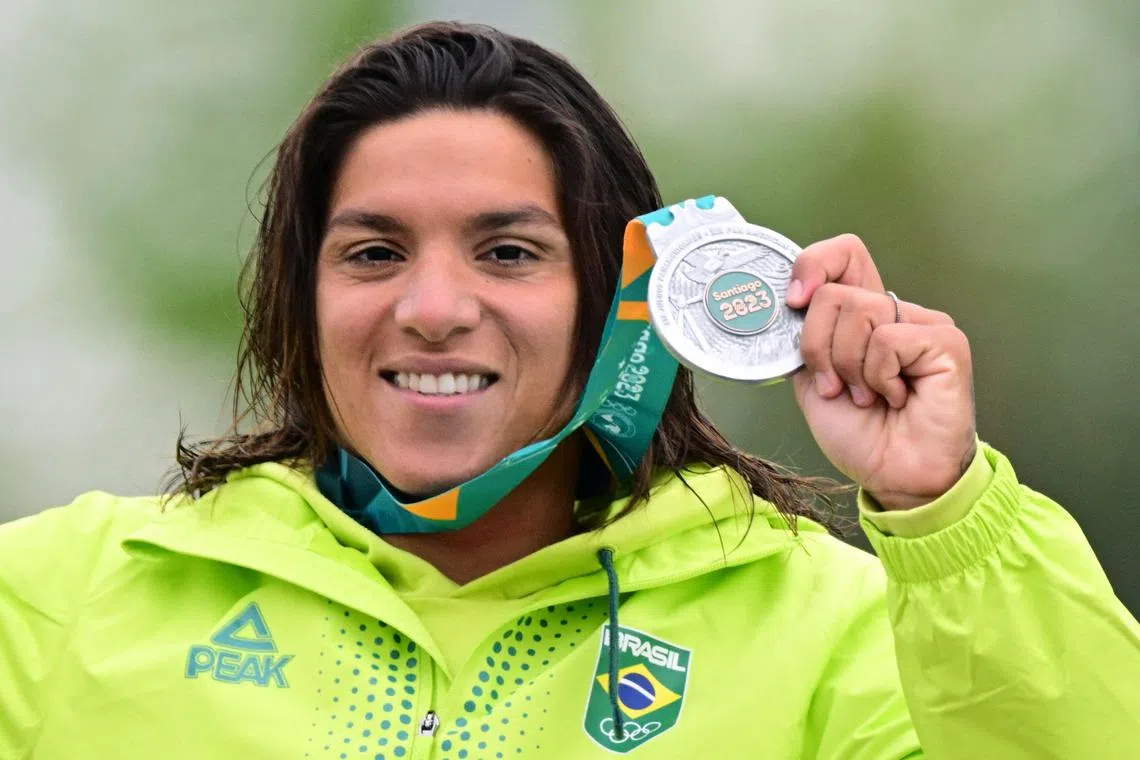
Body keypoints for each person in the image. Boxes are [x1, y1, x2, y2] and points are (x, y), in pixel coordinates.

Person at [1, 20, 1137, 760]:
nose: (433, 306)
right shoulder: (60, 601)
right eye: (373, 252)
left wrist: (946, 513)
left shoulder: (831, 628)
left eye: (507, 252)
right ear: (299, 303)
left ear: (613, 302)